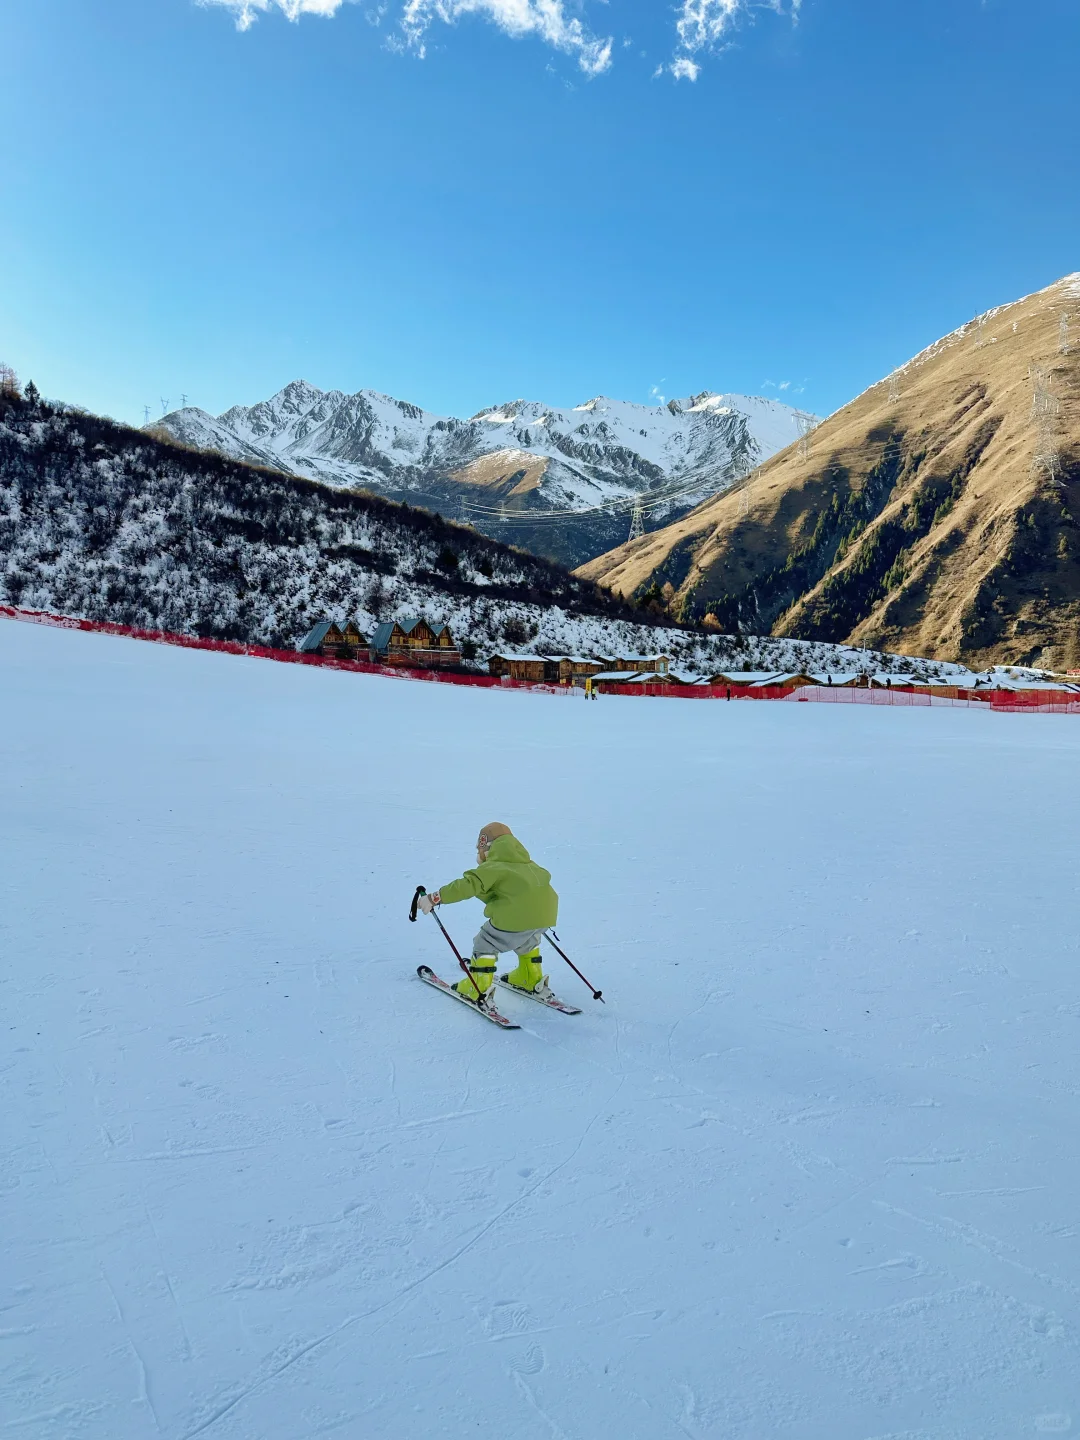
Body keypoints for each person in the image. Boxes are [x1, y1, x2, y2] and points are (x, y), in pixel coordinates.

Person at [419, 823, 559, 1003]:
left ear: (487, 847)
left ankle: (478, 985)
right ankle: (530, 976)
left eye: (480, 850)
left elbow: (467, 886)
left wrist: (434, 898)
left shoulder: (495, 867)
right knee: (528, 940)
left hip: (514, 918)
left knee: (486, 942)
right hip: (544, 918)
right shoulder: (530, 866)